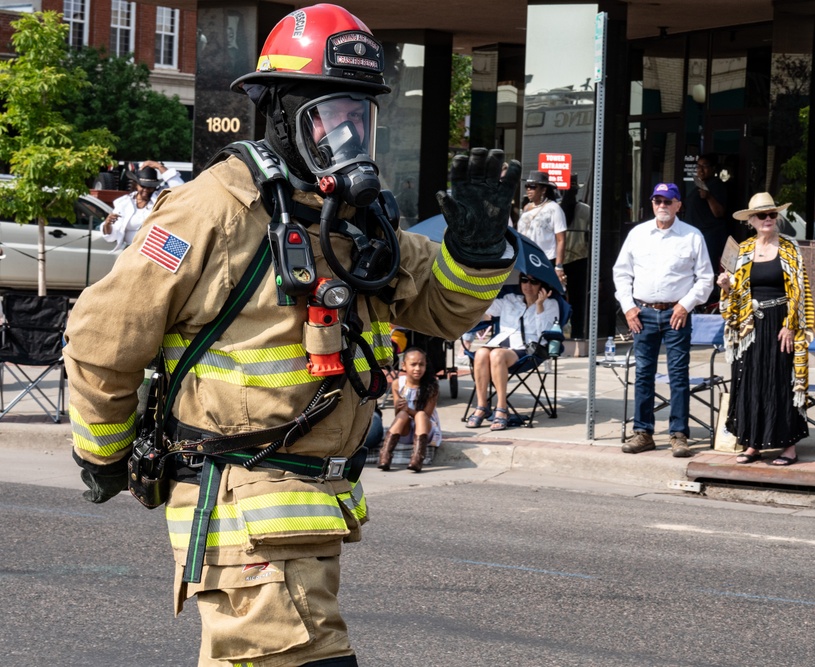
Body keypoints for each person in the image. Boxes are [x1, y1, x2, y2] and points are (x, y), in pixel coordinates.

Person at [63, 5, 521, 667]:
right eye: (330, 117)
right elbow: (105, 335)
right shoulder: (212, 207)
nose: (346, 135)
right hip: (241, 505)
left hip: (308, 509)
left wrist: (477, 250)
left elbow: (442, 306)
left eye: (358, 118)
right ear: (279, 111)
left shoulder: (358, 223)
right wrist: (104, 453)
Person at [613, 182, 713, 457]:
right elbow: (621, 273)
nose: (662, 206)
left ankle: (679, 434)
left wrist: (685, 305)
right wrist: (628, 307)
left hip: (676, 314)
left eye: (668, 201)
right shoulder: (638, 234)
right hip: (642, 314)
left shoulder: (692, 236)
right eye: (658, 201)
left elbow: (705, 279)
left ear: (679, 205)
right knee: (643, 374)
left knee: (678, 376)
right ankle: (642, 433)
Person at [717, 192, 815, 466]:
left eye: (773, 214)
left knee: (780, 380)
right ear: (751, 220)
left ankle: (788, 446)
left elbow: (799, 289)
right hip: (750, 325)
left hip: (780, 321)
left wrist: (791, 325)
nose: (769, 219)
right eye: (762, 215)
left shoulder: (789, 248)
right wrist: (726, 287)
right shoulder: (743, 249)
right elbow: (735, 296)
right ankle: (752, 444)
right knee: (751, 380)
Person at [467, 274, 559, 431]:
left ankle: (502, 408)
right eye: (524, 280)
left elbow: (544, 333)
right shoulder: (510, 299)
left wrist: (539, 306)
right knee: (481, 353)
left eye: (534, 281)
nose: (527, 285)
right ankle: (482, 406)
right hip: (501, 345)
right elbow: (485, 306)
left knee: (497, 355)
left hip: (529, 350)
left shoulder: (551, 304)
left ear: (542, 286)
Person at [378, 347, 442, 472]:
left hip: (424, 430)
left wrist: (409, 409)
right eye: (413, 364)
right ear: (404, 365)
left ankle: (417, 458)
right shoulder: (398, 383)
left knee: (421, 415)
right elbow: (398, 414)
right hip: (405, 432)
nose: (417, 369)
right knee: (402, 414)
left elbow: (427, 415)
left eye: (421, 365)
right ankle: (385, 456)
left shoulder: (431, 386)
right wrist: (400, 407)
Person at [101, 161, 184, 250]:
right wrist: (107, 224)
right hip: (130, 250)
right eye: (142, 186)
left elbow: (181, 190)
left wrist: (159, 167)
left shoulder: (161, 199)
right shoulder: (124, 203)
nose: (146, 190)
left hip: (153, 251)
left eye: (150, 187)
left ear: (155, 187)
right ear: (136, 185)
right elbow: (111, 236)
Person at [684, 154, 729, 304]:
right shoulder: (698, 184)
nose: (700, 170)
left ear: (713, 169)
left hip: (709, 235)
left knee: (705, 269)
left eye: (704, 166)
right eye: (698, 166)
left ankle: (706, 302)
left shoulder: (716, 185)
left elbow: (719, 213)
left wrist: (709, 197)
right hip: (693, 234)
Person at [516, 170, 567, 288]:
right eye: (527, 186)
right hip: (526, 260)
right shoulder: (526, 207)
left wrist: (559, 266)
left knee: (543, 295)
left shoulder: (554, 209)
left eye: (533, 186)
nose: (528, 189)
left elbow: (561, 240)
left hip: (544, 261)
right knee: (526, 294)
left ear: (543, 189)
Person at [559, 174, 591, 337]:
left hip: (571, 260)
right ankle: (574, 333)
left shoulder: (584, 210)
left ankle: (573, 333)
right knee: (573, 301)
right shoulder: (584, 210)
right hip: (572, 261)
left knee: (572, 300)